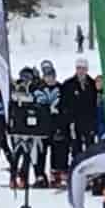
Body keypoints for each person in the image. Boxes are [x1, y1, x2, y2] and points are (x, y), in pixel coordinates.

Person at [37, 60, 69, 188]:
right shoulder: (39, 89)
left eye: (51, 76)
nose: (49, 79)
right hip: (42, 126)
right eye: (47, 76)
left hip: (57, 125)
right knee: (41, 152)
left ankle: (56, 175)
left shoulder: (61, 89)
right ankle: (40, 175)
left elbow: (66, 105)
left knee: (58, 151)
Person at [62, 57, 99, 166]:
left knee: (90, 146)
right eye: (79, 68)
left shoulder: (92, 84)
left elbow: (95, 102)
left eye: (83, 68)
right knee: (75, 146)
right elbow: (64, 103)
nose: (81, 71)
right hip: (74, 120)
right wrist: (68, 118)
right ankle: (76, 167)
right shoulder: (69, 84)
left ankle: (91, 169)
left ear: (87, 69)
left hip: (89, 120)